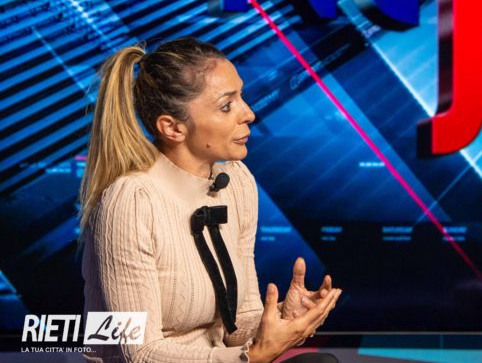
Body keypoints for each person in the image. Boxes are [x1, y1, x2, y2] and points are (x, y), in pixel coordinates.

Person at [78, 37, 341, 362]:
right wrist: (252, 357)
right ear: (172, 128)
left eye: (241, 97)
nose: (249, 114)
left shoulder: (237, 182)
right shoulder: (130, 202)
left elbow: (238, 323)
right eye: (226, 106)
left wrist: (282, 320)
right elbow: (140, 353)